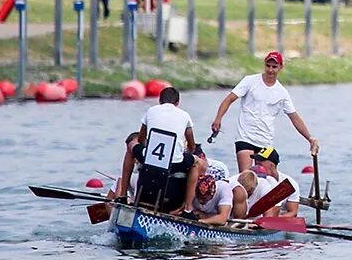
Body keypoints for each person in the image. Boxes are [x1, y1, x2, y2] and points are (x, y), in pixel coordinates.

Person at [210, 51, 319, 174]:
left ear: (280, 68)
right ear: (264, 65)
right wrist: (218, 118)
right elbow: (229, 99)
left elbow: (294, 117)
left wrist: (309, 138)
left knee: (265, 178)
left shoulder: (282, 92)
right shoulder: (250, 81)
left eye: (274, 67)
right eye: (268, 66)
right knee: (247, 176)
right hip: (245, 137)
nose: (270, 70)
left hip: (265, 141)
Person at [130, 86, 201, 214]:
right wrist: (187, 152)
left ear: (159, 100)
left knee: (131, 145)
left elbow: (141, 138)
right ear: (177, 103)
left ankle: (122, 194)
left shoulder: (151, 111)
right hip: (175, 164)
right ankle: (188, 208)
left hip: (150, 160)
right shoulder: (185, 115)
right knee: (195, 163)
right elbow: (192, 145)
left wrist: (148, 151)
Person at [247, 147, 301, 218]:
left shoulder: (290, 184)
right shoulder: (253, 180)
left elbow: (293, 212)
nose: (257, 167)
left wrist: (274, 219)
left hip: (279, 220)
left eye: (260, 164)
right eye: (256, 163)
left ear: (272, 165)